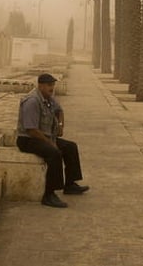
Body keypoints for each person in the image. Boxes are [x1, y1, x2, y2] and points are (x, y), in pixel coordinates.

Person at [16, 72, 89, 208]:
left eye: (53, 85)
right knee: (54, 153)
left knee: (70, 146)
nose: (52, 88)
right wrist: (50, 143)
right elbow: (31, 129)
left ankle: (70, 184)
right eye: (49, 85)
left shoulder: (48, 98)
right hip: (28, 140)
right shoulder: (32, 101)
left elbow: (59, 111)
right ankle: (49, 194)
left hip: (45, 137)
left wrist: (60, 126)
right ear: (41, 86)